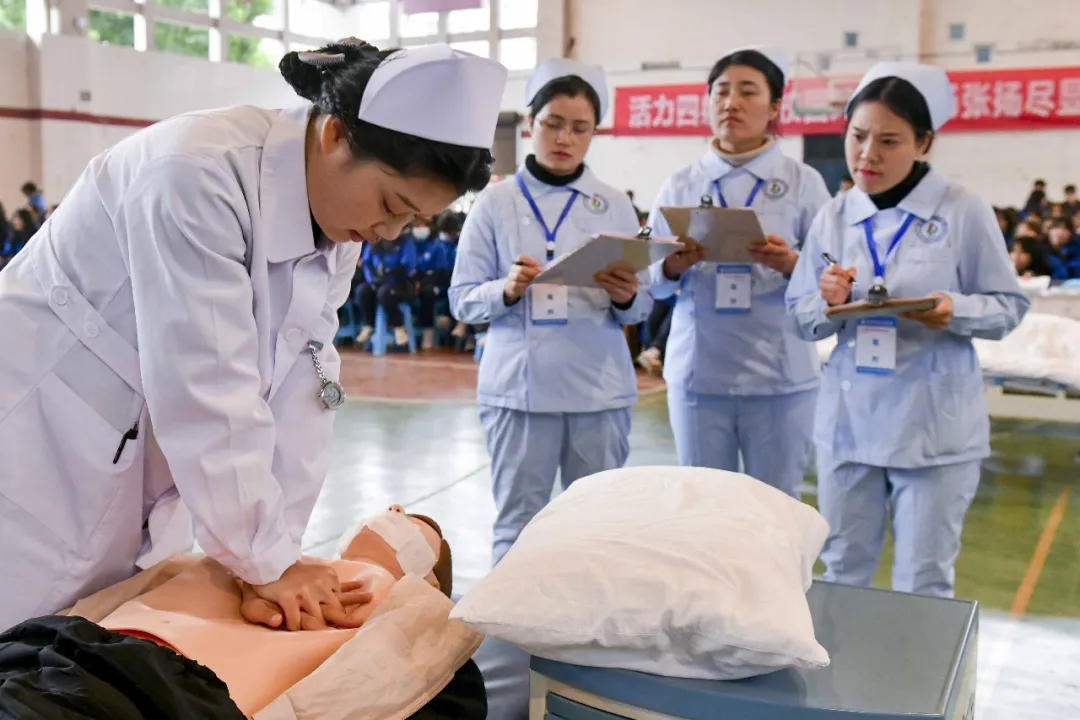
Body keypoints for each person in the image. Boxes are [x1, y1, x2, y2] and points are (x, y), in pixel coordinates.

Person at [0, 39, 508, 633]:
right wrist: (265, 563)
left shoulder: (339, 226)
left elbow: (306, 390)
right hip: (41, 440)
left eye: (410, 220)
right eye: (391, 204)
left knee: (83, 650)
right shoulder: (193, 173)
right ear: (336, 136)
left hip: (128, 455)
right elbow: (207, 386)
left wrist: (275, 555)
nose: (388, 233)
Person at [785, 61, 1029, 598]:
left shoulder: (962, 211)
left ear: (923, 143)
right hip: (850, 424)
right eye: (857, 136)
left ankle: (913, 683)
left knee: (924, 581)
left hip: (932, 426)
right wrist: (825, 301)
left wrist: (952, 309)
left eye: (888, 140)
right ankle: (841, 680)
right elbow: (798, 316)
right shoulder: (834, 215)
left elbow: (1009, 306)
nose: (867, 154)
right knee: (842, 570)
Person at [0, 507, 486, 719]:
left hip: (149, 695)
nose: (393, 509)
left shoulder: (417, 612)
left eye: (409, 519)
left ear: (430, 578)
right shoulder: (255, 556)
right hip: (54, 654)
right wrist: (249, 568)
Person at [449, 58, 650, 567]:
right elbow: (462, 299)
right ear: (530, 123)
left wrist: (627, 294)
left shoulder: (613, 205)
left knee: (598, 529)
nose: (565, 137)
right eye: (553, 123)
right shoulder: (494, 203)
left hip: (598, 390)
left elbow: (642, 305)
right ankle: (509, 645)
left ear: (593, 134)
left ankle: (591, 641)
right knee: (518, 527)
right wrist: (508, 289)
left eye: (580, 128)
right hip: (519, 391)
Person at [645, 45, 830, 496]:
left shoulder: (803, 182)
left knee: (775, 509)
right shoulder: (682, 183)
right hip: (699, 377)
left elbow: (832, 273)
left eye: (748, 91)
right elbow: (649, 278)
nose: (731, 102)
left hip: (780, 377)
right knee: (703, 511)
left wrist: (791, 264)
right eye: (721, 91)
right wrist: (671, 264)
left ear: (774, 107)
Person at [354, 234, 419, 348]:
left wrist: (388, 279)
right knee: (362, 291)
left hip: (401, 283)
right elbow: (367, 264)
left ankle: (399, 326)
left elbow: (408, 266)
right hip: (378, 281)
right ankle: (369, 324)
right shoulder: (374, 241)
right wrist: (373, 281)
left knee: (384, 293)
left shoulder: (406, 241)